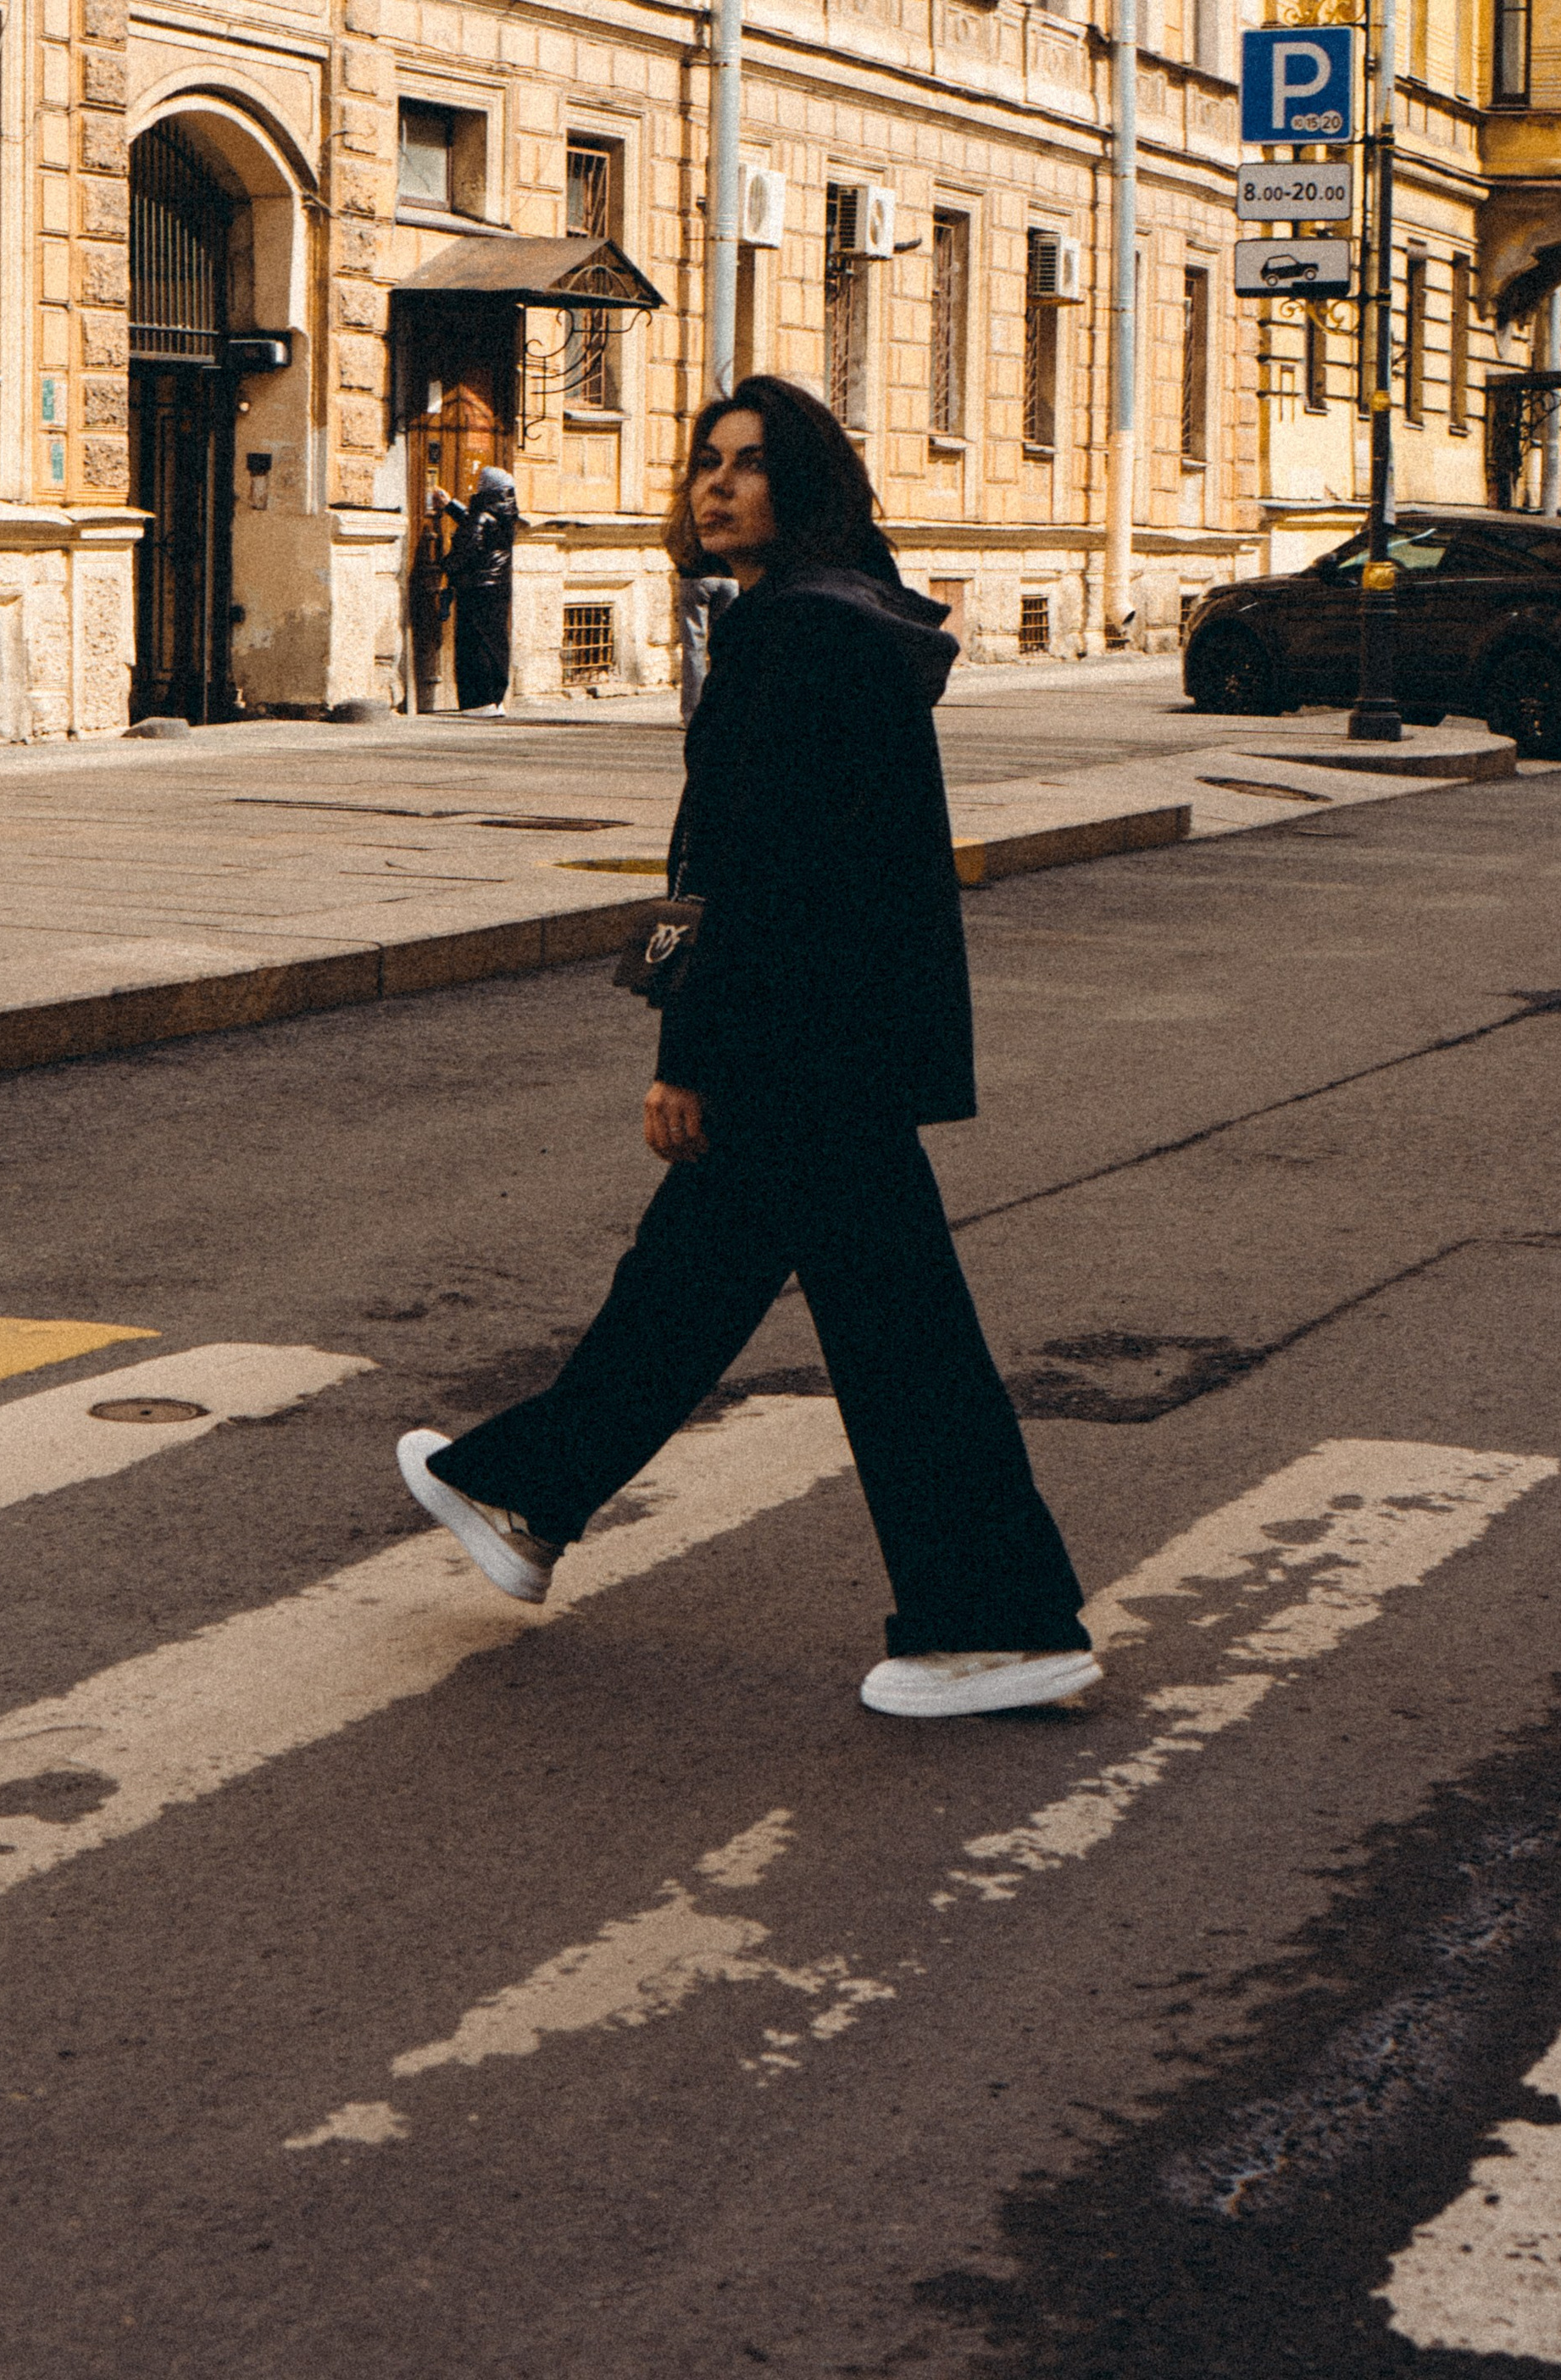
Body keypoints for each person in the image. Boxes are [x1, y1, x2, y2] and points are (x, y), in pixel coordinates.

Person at [397, 375, 1099, 1720]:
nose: (717, 484)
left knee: (896, 1342)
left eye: (752, 464)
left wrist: (682, 1044)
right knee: (696, 1281)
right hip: (837, 1040)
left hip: (800, 1048)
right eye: (705, 461)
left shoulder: (797, 640)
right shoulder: (834, 621)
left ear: (808, 486)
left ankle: (998, 1623)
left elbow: (733, 872)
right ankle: (527, 1491)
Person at [429, 465, 520, 715]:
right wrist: (451, 506)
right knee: (495, 641)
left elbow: (468, 547)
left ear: (484, 488)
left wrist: (442, 565)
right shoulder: (506, 514)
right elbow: (478, 527)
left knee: (474, 643)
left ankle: (478, 701)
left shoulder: (482, 516)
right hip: (499, 587)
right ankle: (495, 700)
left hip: (477, 588)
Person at [676, 569, 738, 723]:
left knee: (694, 648)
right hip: (729, 578)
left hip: (695, 576)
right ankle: (726, 709)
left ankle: (694, 715)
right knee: (727, 647)